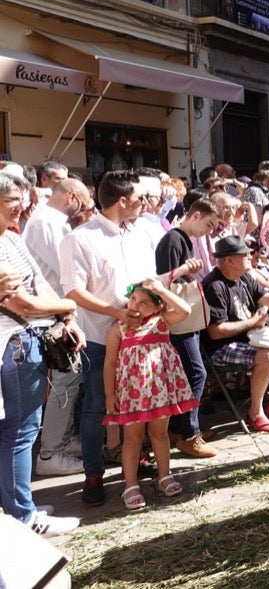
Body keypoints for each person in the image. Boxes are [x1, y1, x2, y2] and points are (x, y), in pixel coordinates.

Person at [60, 170, 160, 507]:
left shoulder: (140, 233)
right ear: (122, 200)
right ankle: (93, 473)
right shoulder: (81, 238)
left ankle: (135, 459)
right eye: (138, 198)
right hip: (102, 336)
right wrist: (117, 313)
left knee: (140, 403)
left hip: (141, 337)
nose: (143, 203)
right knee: (98, 406)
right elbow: (73, 290)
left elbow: (150, 279)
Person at [0, 171, 85, 537]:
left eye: (21, 201)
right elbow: (21, 303)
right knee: (20, 433)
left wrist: (65, 313)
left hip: (26, 340)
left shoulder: (12, 238)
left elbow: (38, 282)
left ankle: (18, 506)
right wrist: (67, 307)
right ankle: (23, 516)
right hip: (15, 345)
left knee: (17, 432)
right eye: (10, 203)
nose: (20, 208)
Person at [103, 279, 199, 509]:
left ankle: (165, 476)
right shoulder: (119, 328)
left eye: (145, 302)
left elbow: (185, 310)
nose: (136, 304)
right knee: (133, 438)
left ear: (157, 307)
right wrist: (109, 395)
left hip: (159, 392)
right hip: (132, 395)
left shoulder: (162, 321)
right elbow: (110, 363)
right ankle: (130, 484)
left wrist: (161, 290)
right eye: (134, 298)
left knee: (160, 433)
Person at [21, 178, 94, 477]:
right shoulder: (48, 223)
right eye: (86, 204)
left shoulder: (48, 220)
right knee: (65, 381)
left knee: (68, 380)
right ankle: (51, 452)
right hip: (50, 314)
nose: (85, 211)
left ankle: (60, 440)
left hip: (54, 311)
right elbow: (67, 271)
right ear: (73, 196)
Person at [202, 235, 269, 434]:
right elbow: (215, 332)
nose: (250, 256)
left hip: (249, 336)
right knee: (266, 355)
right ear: (230, 260)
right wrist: (252, 323)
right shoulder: (215, 286)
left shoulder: (243, 276)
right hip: (221, 346)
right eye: (244, 254)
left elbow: (264, 298)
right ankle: (255, 413)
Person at [155, 197, 219, 459]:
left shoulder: (181, 240)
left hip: (183, 317)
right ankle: (188, 433)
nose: (210, 231)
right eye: (209, 224)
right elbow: (166, 281)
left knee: (191, 374)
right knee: (195, 373)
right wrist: (184, 269)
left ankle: (183, 428)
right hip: (178, 319)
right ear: (195, 216)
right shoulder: (173, 240)